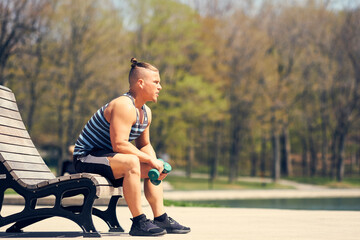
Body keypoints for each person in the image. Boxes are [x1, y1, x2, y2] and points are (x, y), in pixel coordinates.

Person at [72, 58, 190, 236]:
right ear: (140, 83)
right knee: (132, 162)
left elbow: (145, 145)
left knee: (148, 164)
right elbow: (119, 144)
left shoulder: (145, 112)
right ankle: (138, 222)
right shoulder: (123, 105)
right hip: (86, 158)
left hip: (111, 159)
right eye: (156, 82)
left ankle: (160, 217)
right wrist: (150, 160)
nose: (160, 87)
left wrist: (155, 164)